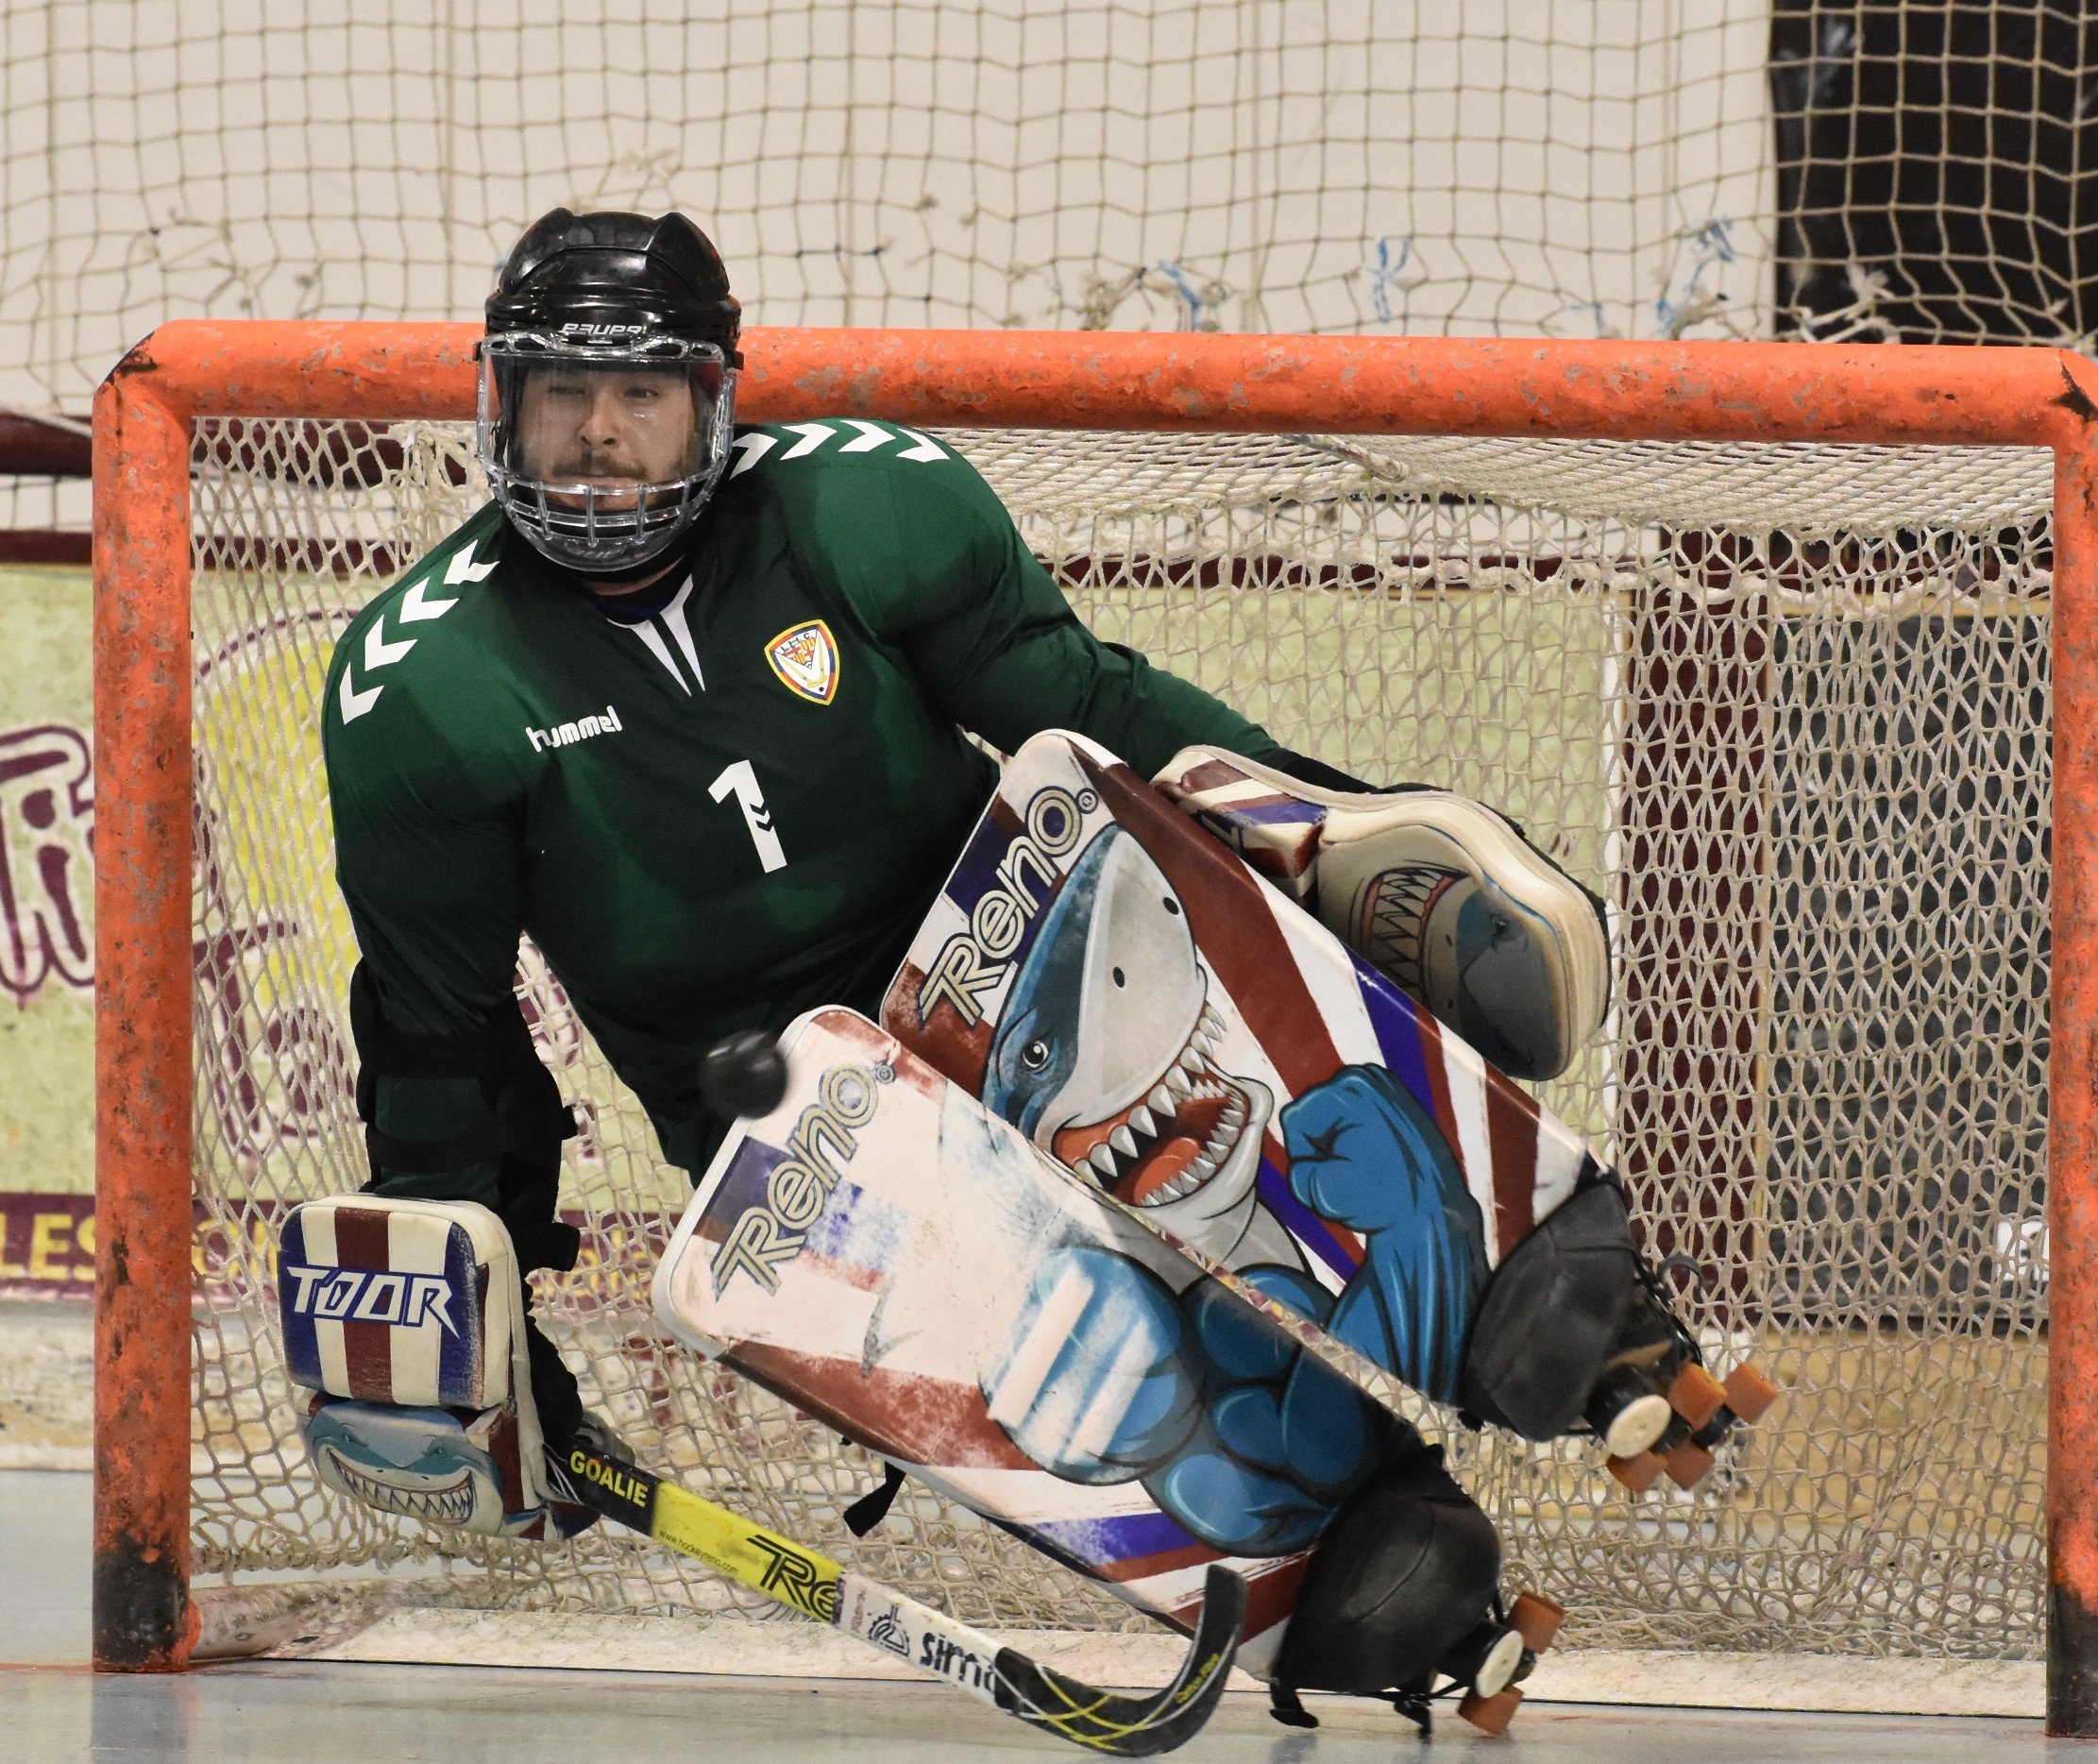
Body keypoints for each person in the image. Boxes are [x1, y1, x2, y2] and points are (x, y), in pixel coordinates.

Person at [319, 207, 1604, 1496]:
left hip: (1003, 950)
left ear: (713, 402)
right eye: (561, 394)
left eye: (640, 392)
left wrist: (1317, 824)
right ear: (501, 405)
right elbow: (446, 1033)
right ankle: (1367, 1553)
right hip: (783, 1123)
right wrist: (468, 1311)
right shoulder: (421, 687)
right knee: (1142, 1408)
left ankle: (1539, 1300)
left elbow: (1093, 715)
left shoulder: (862, 503)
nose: (597, 437)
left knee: (1148, 967)